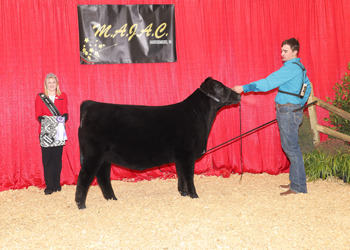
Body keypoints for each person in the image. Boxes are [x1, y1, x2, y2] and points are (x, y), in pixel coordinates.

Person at [232, 38, 311, 196]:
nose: (282, 53)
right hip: (292, 110)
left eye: (285, 51)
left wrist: (243, 88)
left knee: (291, 149)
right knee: (291, 148)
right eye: (281, 50)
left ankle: (298, 187)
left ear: (295, 52)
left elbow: (267, 84)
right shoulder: (300, 68)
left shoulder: (290, 69)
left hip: (287, 111)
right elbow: (307, 88)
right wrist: (298, 105)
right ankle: (297, 183)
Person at [35, 73, 68, 195]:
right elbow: (38, 114)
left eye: (53, 82)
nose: (52, 84)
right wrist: (44, 121)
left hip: (58, 131)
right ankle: (49, 186)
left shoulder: (62, 96)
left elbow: (65, 111)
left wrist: (64, 117)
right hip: (46, 133)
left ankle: (56, 184)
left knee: (57, 160)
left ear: (57, 84)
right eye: (49, 82)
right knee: (47, 160)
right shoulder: (40, 97)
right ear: (46, 84)